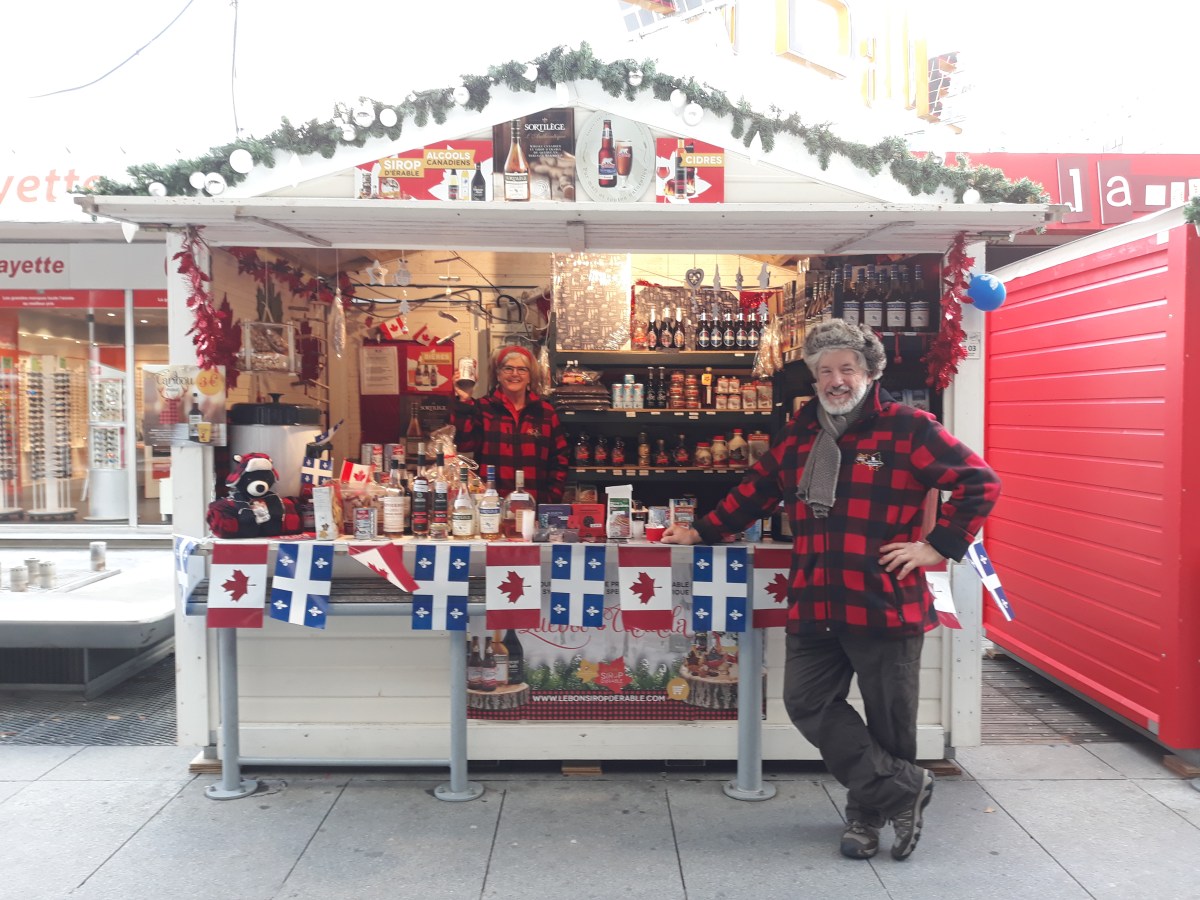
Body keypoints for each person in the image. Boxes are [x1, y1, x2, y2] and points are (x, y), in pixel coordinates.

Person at [663, 318, 999, 862]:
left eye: (847, 368)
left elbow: (979, 481)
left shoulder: (908, 428)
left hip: (884, 600)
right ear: (814, 379)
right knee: (805, 700)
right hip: (816, 595)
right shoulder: (801, 432)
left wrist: (938, 546)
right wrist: (701, 530)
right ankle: (904, 788)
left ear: (868, 373)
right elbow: (757, 490)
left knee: (890, 722)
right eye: (825, 371)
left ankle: (868, 819)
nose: (836, 379)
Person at [452, 345, 569, 503]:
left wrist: (551, 498)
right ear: (498, 374)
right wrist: (465, 400)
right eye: (508, 368)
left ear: (530, 376)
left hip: (534, 506)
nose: (515, 374)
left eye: (522, 369)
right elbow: (465, 445)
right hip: (491, 506)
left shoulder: (545, 413)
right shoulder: (482, 408)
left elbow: (560, 460)